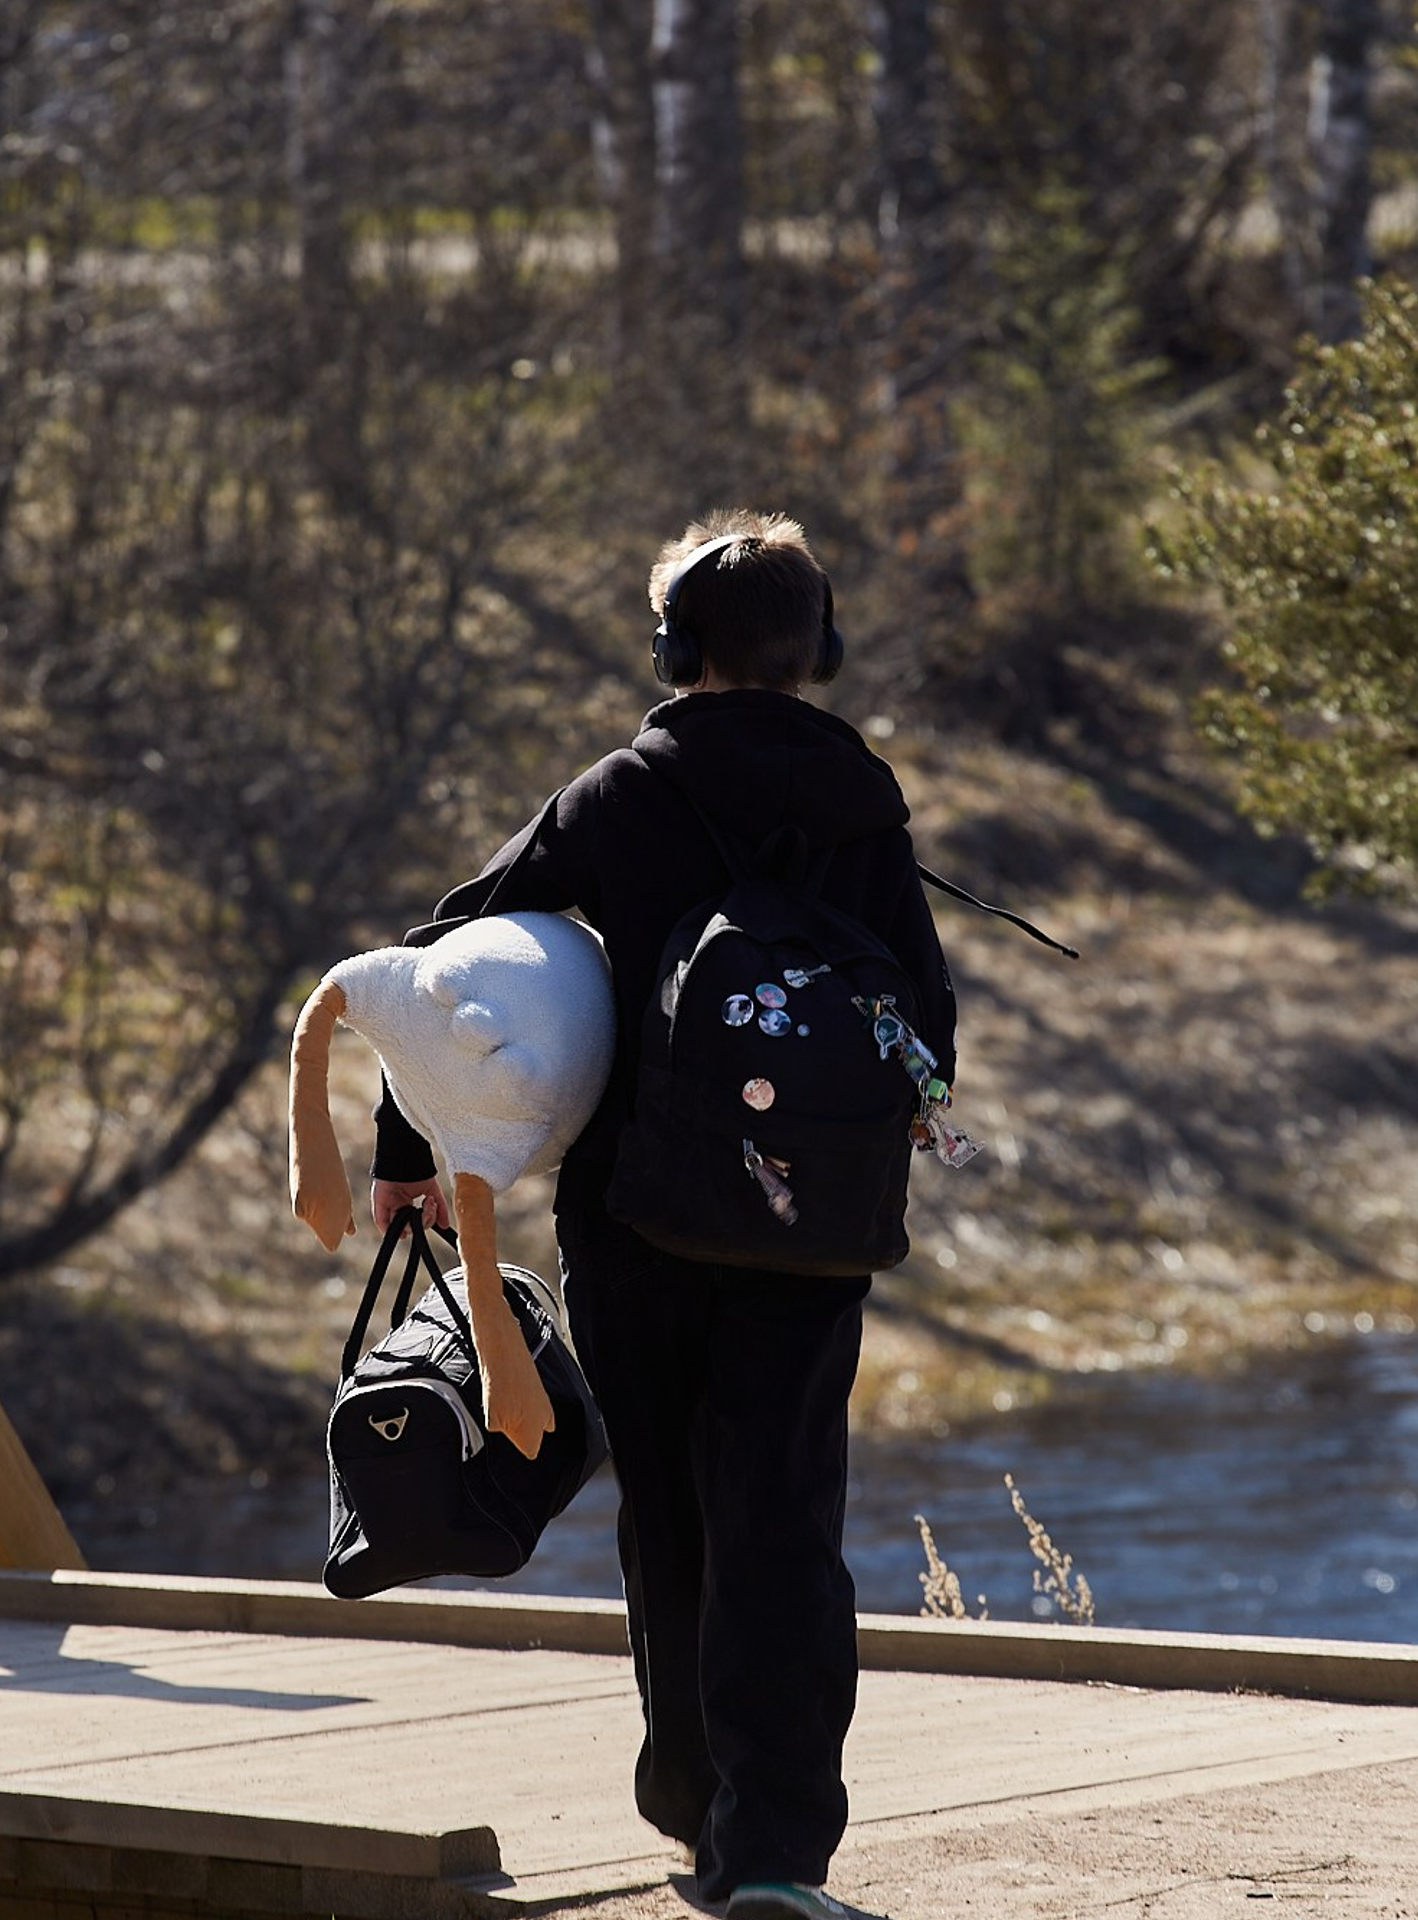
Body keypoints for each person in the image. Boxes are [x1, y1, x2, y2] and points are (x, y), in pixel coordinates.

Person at [369, 507, 954, 1920]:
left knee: (671, 1509)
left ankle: (691, 1809)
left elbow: (456, 960)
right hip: (811, 1228)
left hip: (636, 1215)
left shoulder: (618, 793)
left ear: (674, 645)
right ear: (818, 649)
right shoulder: (865, 802)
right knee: (785, 1511)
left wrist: (408, 1143)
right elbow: (928, 1015)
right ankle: (776, 1849)